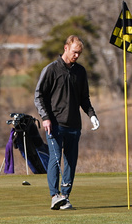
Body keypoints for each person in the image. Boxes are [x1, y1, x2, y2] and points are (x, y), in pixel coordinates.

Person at [34, 35, 99, 210]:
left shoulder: (80, 72)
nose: (76, 56)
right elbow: (39, 96)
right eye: (74, 52)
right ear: (66, 48)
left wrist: (92, 115)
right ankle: (54, 195)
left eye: (79, 53)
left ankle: (65, 196)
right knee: (55, 160)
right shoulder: (51, 70)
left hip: (74, 126)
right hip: (55, 124)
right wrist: (45, 118)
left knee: (71, 162)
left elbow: (84, 99)